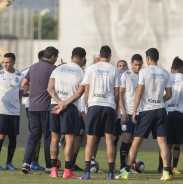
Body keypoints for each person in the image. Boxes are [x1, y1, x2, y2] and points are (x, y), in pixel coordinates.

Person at [115, 48, 172, 181]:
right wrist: (159, 101)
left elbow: (139, 92)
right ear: (157, 58)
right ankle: (166, 173)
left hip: (147, 111)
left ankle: (126, 172)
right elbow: (169, 95)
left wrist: (134, 110)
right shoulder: (164, 72)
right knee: (163, 143)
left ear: (147, 58)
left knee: (135, 143)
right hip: (161, 110)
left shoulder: (144, 71)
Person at [79, 45, 120, 180]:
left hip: (94, 105)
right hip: (108, 106)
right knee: (109, 140)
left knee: (90, 139)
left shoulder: (91, 68)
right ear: (109, 56)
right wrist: (116, 108)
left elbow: (86, 90)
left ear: (99, 55)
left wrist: (87, 106)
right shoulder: (114, 69)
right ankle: (110, 173)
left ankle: (86, 172)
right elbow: (116, 92)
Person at [48, 47, 86, 178]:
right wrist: (64, 104)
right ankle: (67, 171)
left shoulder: (58, 69)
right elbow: (79, 93)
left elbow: (49, 88)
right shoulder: (82, 72)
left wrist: (58, 102)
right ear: (83, 59)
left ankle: (53, 170)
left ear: (71, 57)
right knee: (69, 141)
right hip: (69, 108)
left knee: (54, 139)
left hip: (54, 105)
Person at [21, 46, 59, 174]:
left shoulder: (33, 67)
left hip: (32, 106)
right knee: (48, 137)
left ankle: (26, 163)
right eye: (56, 57)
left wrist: (33, 91)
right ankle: (49, 166)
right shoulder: (53, 69)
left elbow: (24, 84)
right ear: (53, 57)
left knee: (34, 135)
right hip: (46, 107)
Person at [0, 53, 24, 170]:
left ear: (13, 62)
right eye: (4, 62)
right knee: (0, 136)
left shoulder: (19, 75)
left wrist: (17, 103)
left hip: (14, 111)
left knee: (13, 137)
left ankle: (9, 163)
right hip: (1, 110)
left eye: (8, 62)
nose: (5, 64)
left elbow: (21, 91)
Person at [21, 50, 46, 171]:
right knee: (37, 134)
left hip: (33, 105)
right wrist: (33, 91)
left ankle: (32, 161)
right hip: (33, 105)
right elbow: (20, 82)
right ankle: (31, 161)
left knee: (37, 134)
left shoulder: (34, 68)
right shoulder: (30, 68)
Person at [118, 54, 143, 172]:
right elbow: (120, 95)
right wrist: (123, 111)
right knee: (126, 137)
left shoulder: (144, 75)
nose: (138, 67)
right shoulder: (125, 75)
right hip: (128, 112)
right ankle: (123, 166)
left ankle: (131, 165)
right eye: (136, 64)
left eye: (140, 64)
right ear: (131, 63)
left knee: (135, 141)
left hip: (140, 112)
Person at [165, 57, 183, 176]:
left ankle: (168, 172)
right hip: (182, 113)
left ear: (172, 69)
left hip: (169, 113)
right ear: (182, 68)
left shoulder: (167, 78)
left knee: (168, 144)